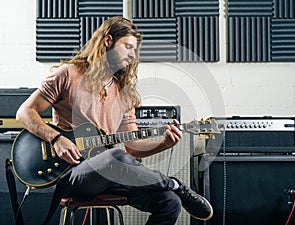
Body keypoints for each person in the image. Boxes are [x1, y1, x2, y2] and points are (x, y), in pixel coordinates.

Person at [16, 16, 213, 225]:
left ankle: (172, 189)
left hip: (112, 173)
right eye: (127, 46)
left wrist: (163, 143)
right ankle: (174, 183)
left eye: (135, 49)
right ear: (108, 41)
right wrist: (57, 139)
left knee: (170, 202)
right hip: (74, 174)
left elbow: (132, 147)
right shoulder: (68, 74)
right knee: (115, 156)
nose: (133, 54)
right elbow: (24, 112)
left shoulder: (124, 93)